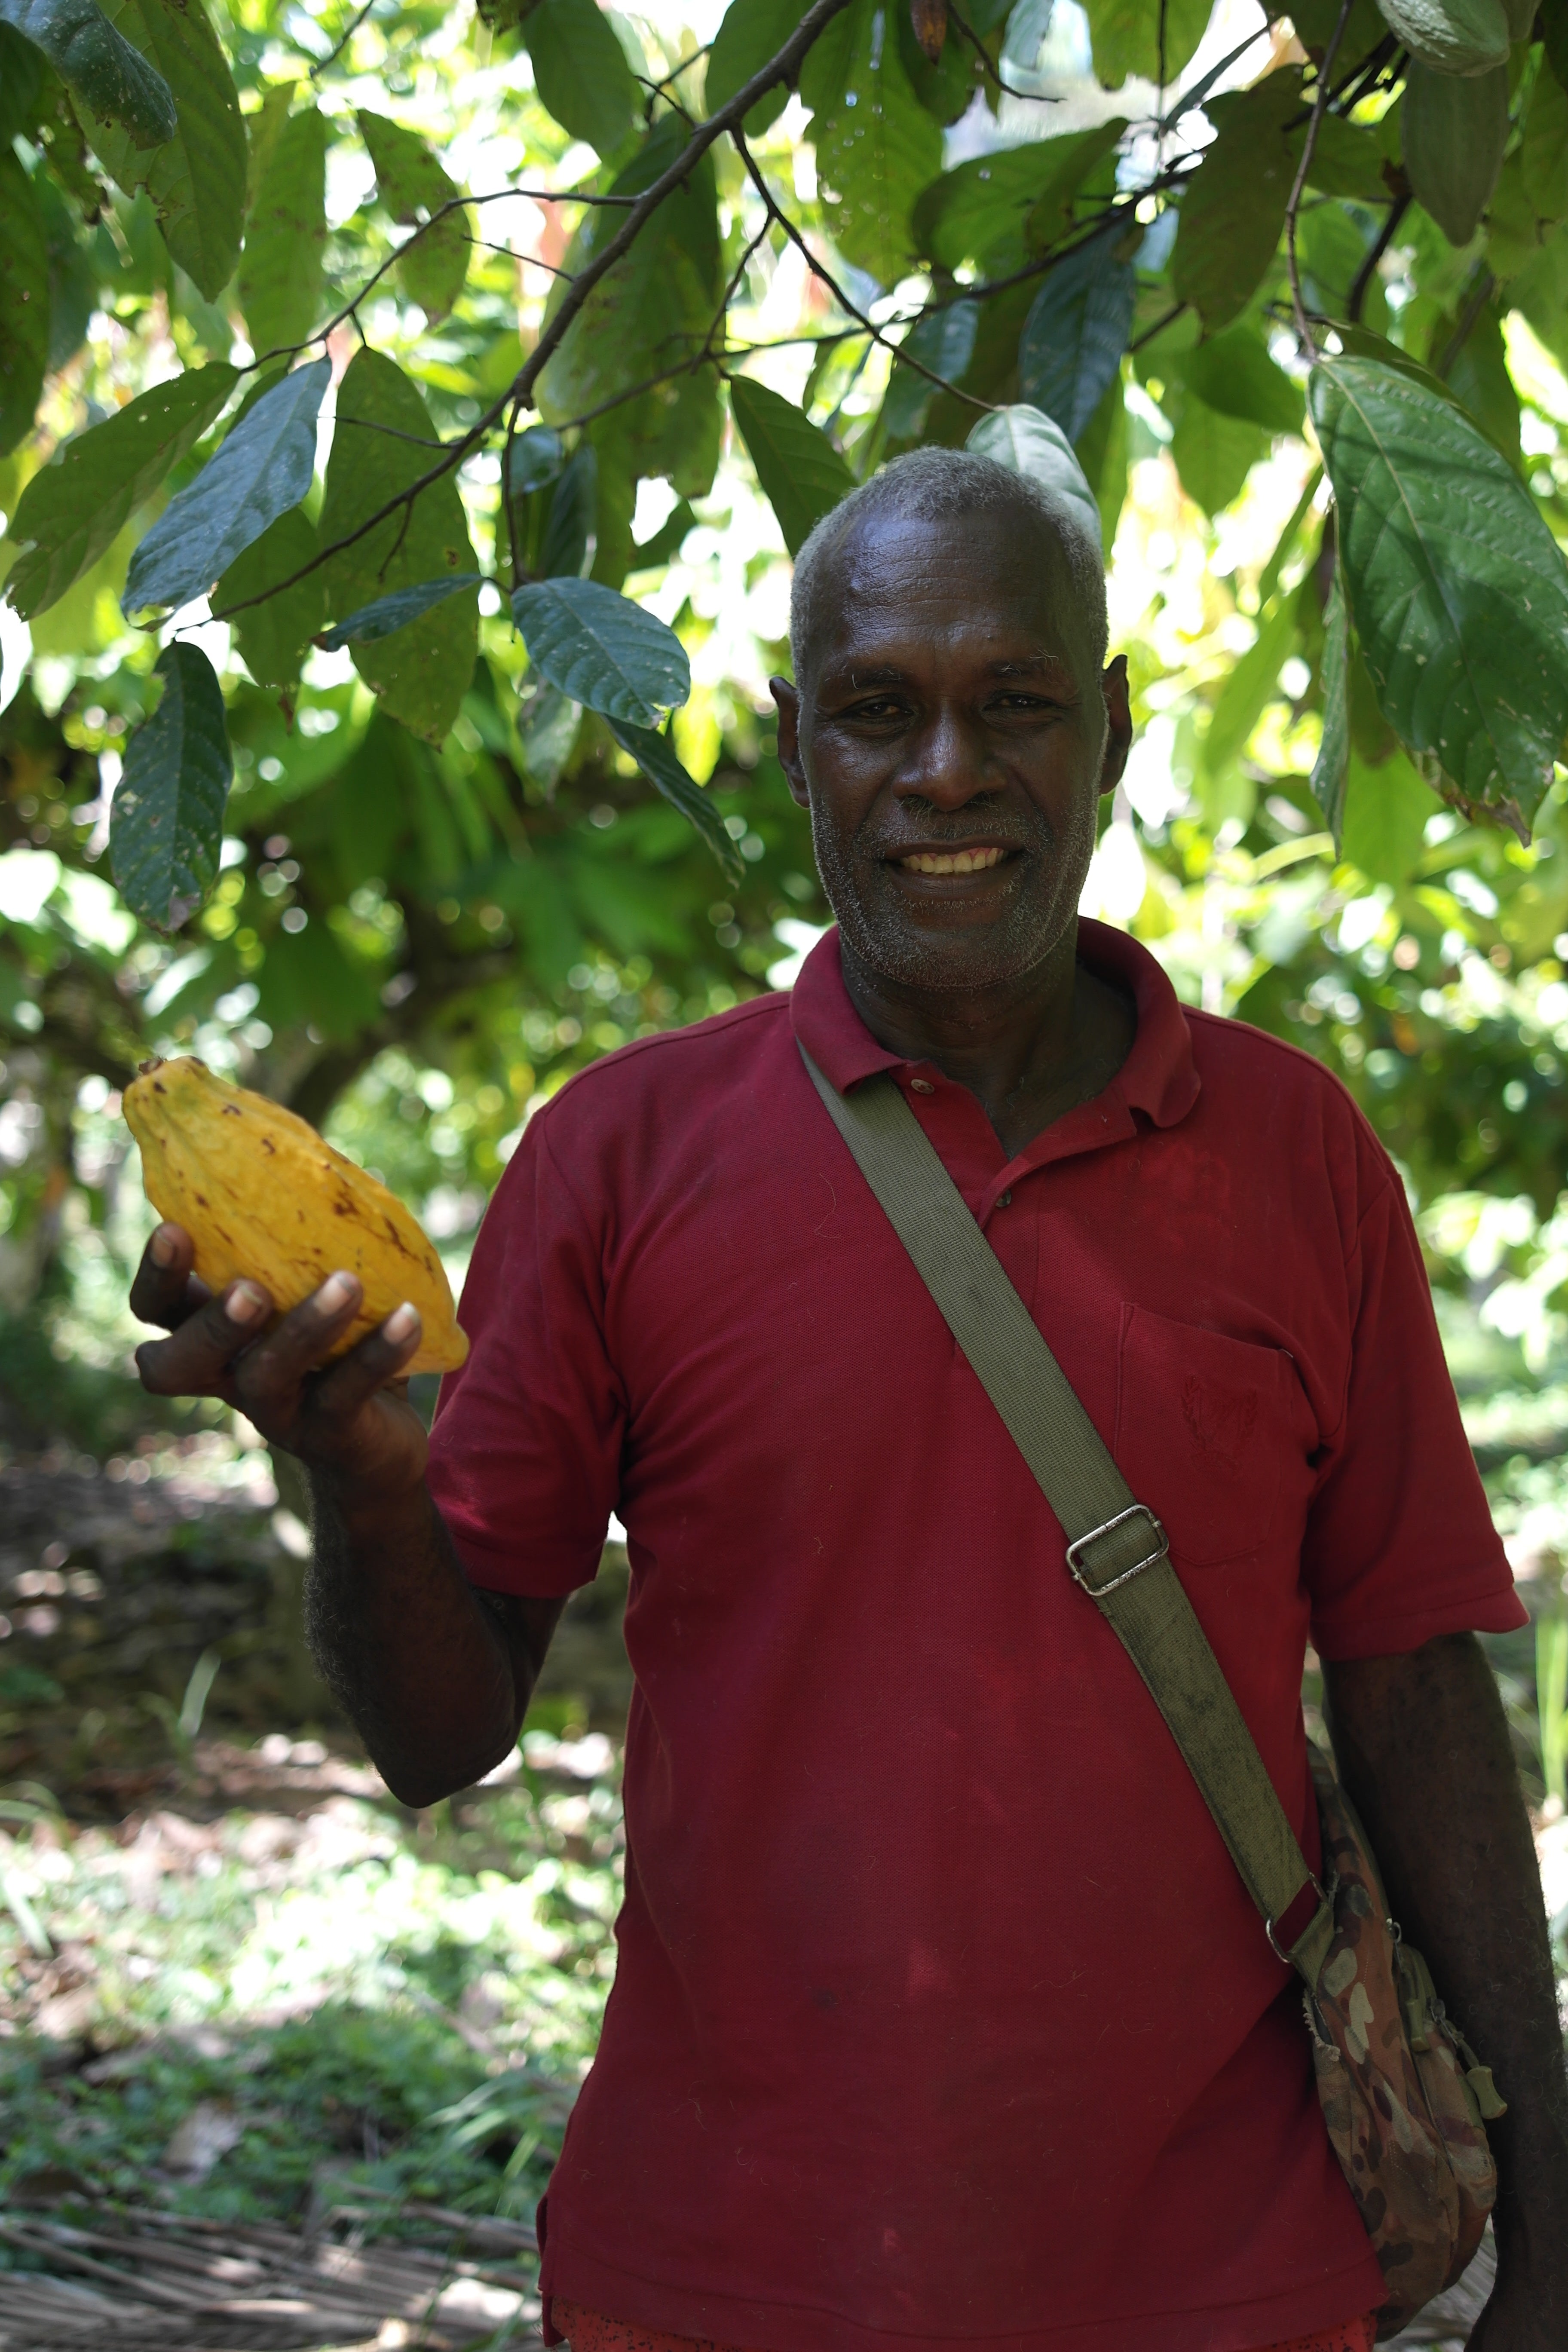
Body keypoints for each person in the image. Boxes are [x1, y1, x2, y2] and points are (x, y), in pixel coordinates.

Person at [130, 450, 1568, 2352]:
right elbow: (438, 1736)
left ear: (1116, 729)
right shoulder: (624, 1159)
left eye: (1017, 704)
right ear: (799, 747)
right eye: (882, 711)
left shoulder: (1296, 1160)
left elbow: (1415, 1688)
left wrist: (1547, 2245)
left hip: (1223, 2283)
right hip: (725, 2276)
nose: (949, 771)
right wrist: (359, 1481)